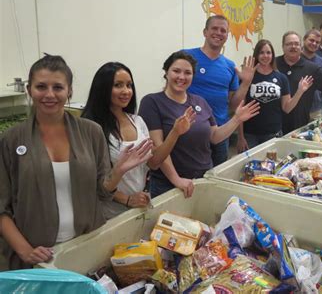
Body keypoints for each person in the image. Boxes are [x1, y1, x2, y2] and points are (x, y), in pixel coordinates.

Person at [0, 54, 152, 269]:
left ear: (69, 90)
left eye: (58, 87)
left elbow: (102, 191)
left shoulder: (90, 132)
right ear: (29, 90)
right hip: (38, 253)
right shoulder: (11, 140)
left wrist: (117, 172)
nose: (49, 94)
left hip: (87, 244)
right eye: (41, 86)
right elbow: (2, 206)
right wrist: (25, 250)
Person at [139, 51, 259, 198]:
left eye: (187, 73)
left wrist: (236, 119)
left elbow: (214, 136)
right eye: (176, 71)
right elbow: (157, 152)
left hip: (203, 178)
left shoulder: (199, 101)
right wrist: (177, 180)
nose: (182, 77)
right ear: (166, 73)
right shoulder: (152, 102)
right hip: (171, 185)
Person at [82, 62, 195, 219]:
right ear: (103, 88)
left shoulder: (137, 121)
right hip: (107, 213)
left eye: (129, 85)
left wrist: (175, 132)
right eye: (118, 85)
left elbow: (154, 162)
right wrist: (127, 199)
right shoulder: (92, 127)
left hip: (137, 209)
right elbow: (93, 181)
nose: (126, 91)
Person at [184, 15, 256, 167]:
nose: (218, 33)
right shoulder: (187, 57)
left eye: (223, 30)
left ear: (227, 35)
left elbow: (233, 104)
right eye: (214, 28)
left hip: (221, 132)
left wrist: (246, 83)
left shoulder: (229, 66)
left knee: (216, 178)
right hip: (190, 131)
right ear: (205, 32)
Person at [237, 40, 313, 151]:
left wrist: (300, 91)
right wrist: (240, 136)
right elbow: (239, 108)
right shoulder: (248, 76)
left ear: (272, 55)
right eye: (261, 52)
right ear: (256, 55)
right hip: (250, 135)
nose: (265, 56)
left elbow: (287, 108)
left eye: (268, 53)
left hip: (273, 134)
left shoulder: (281, 78)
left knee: (272, 166)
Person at [301, 29, 322, 118]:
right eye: (311, 40)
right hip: (297, 109)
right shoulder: (295, 59)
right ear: (304, 39)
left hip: (316, 110)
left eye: (317, 42)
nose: (314, 44)